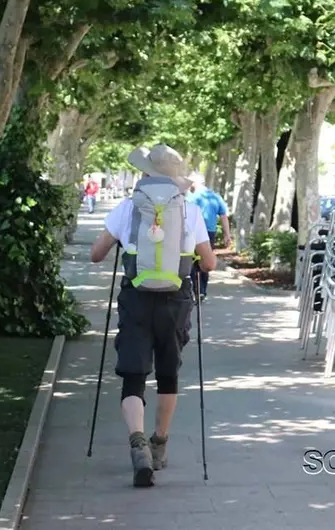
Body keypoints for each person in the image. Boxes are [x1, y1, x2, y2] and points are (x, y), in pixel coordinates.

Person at [90, 144, 217, 488]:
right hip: (176, 300)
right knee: (167, 374)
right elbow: (208, 264)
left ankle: (137, 444)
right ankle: (160, 442)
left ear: (145, 174)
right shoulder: (189, 211)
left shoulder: (127, 208)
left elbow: (96, 254)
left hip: (136, 298)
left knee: (133, 374)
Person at [186, 173, 231, 300]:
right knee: (206, 260)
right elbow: (223, 216)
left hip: (192, 232)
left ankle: (193, 289)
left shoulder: (191, 197)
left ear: (194, 183)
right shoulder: (216, 197)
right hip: (209, 233)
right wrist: (227, 235)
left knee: (190, 260)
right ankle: (202, 290)